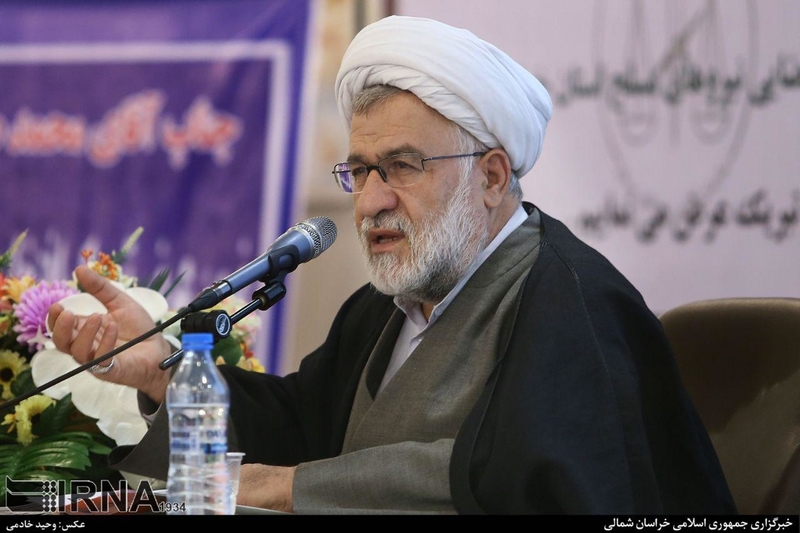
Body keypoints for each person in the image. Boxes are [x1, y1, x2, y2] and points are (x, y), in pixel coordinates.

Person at [48, 15, 736, 515]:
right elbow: (300, 426)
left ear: (492, 176)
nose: (372, 200)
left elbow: (524, 474)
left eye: (403, 166)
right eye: (360, 171)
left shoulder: (572, 299)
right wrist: (162, 370)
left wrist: (282, 486)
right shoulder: (381, 308)